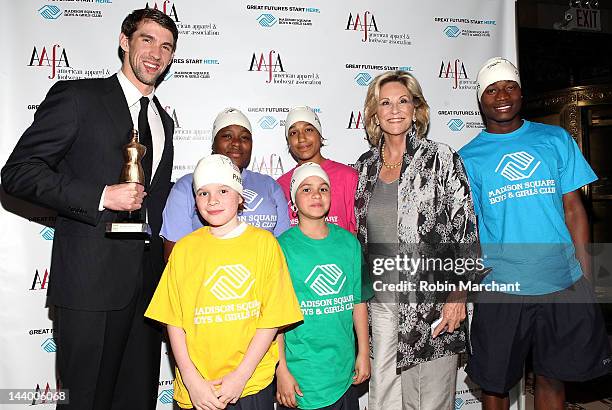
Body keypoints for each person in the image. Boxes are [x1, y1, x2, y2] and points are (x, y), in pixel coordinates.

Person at [1, 8, 177, 409]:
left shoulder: (164, 122)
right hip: (89, 287)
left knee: (137, 400)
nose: (156, 53)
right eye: (147, 40)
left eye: (166, 46)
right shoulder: (79, 98)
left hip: (148, 292)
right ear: (124, 40)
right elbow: (17, 173)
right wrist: (100, 196)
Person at [459, 57, 612, 410]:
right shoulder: (467, 157)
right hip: (501, 286)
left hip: (560, 281)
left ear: (521, 93)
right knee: (494, 384)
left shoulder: (554, 138)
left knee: (551, 376)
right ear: (480, 100)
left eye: (509, 86)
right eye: (492, 89)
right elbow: (470, 228)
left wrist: (586, 275)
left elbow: (574, 209)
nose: (502, 95)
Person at [353, 70, 482, 409]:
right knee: (384, 400)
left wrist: (458, 294)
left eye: (402, 101)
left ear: (416, 109)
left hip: (432, 304)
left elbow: (466, 228)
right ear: (374, 114)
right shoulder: (364, 167)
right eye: (385, 103)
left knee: (429, 401)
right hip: (381, 306)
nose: (394, 110)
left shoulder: (441, 158)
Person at [145, 154, 303, 409]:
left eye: (222, 190)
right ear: (195, 201)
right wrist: (191, 379)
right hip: (198, 388)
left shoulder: (265, 245)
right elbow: (173, 321)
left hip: (251, 384)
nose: (213, 200)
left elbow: (272, 319)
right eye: (203, 193)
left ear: (241, 197)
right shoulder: (184, 249)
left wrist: (241, 376)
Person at [275, 163, 373, 410]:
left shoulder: (349, 243)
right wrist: (281, 369)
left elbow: (358, 302)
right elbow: (273, 316)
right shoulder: (280, 247)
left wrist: (363, 352)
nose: (316, 195)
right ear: (294, 201)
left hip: (343, 372)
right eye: (306, 189)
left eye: (323, 188)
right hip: (302, 375)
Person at [161, 107, 290, 261]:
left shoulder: (269, 185)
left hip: (263, 279)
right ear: (213, 144)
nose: (236, 143)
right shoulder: (186, 186)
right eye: (227, 136)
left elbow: (284, 250)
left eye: (244, 138)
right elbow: (174, 258)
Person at [277, 106, 358, 232]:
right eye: (293, 133)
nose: (301, 138)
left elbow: (357, 233)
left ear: (319, 135)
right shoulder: (280, 185)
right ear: (288, 142)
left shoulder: (348, 177)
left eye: (308, 130)